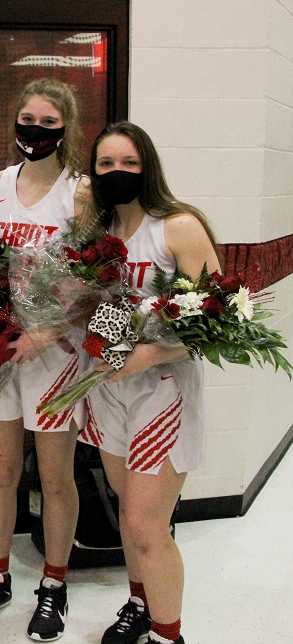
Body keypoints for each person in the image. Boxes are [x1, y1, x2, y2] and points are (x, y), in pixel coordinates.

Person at [79, 122, 219, 644]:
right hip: (110, 389)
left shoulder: (177, 226)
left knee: (145, 525)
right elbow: (104, 309)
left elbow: (216, 322)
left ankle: (168, 634)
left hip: (163, 387)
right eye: (106, 164)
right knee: (125, 510)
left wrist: (146, 355)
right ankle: (140, 605)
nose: (117, 173)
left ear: (148, 168)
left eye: (129, 164)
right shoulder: (99, 236)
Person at [0, 78, 88, 641]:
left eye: (47, 124)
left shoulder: (80, 192)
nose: (34, 132)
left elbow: (94, 278)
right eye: (26, 121)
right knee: (1, 472)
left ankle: (54, 585)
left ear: (66, 130)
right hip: (0, 348)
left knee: (56, 477)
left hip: (54, 352)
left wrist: (47, 330)